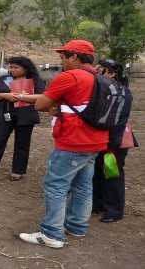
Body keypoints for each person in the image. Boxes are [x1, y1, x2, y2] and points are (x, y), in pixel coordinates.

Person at [19, 39, 109, 248]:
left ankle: (51, 234)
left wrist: (52, 105)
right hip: (96, 141)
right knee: (83, 186)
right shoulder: (100, 78)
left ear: (74, 56)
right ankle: (77, 226)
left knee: (56, 186)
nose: (61, 62)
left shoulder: (70, 76)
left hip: (73, 142)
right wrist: (58, 106)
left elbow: (41, 104)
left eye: (62, 57)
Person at [0, 56, 45, 182]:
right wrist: (5, 95)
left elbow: (42, 96)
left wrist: (21, 97)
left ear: (25, 69)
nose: (13, 69)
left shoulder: (35, 80)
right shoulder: (4, 79)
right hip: (5, 114)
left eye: (16, 67)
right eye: (11, 67)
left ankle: (18, 171)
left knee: (22, 143)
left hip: (26, 115)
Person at [93, 59, 135, 223]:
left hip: (113, 141)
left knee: (111, 173)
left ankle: (114, 211)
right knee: (97, 172)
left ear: (111, 73)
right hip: (101, 139)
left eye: (101, 70)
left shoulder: (121, 92)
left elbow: (116, 120)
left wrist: (111, 143)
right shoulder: (106, 89)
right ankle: (97, 204)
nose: (97, 71)